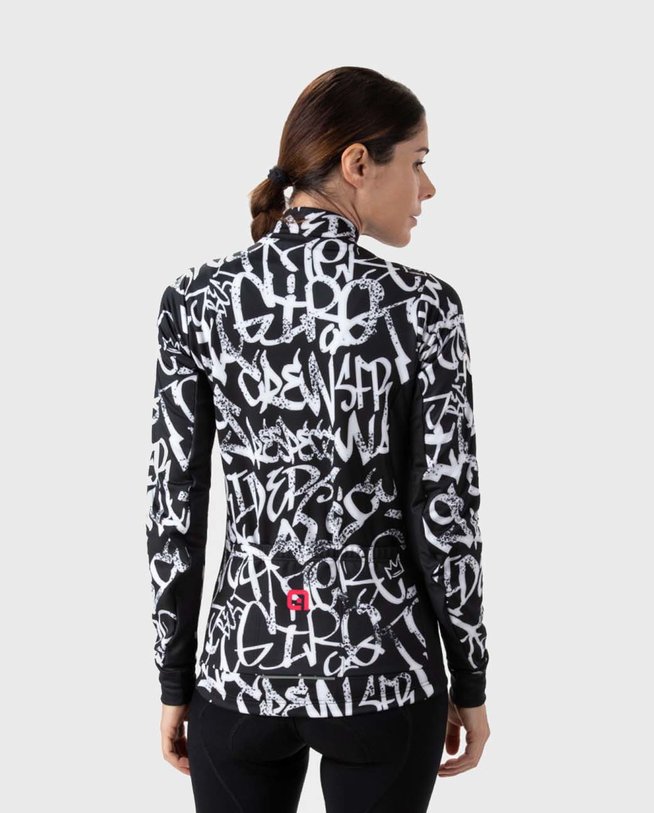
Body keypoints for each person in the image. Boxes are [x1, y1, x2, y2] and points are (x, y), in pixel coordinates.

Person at [146, 65, 491, 813]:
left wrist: (175, 679)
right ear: (358, 163)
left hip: (242, 672)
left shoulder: (197, 299)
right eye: (418, 162)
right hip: (385, 676)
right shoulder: (423, 308)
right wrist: (469, 678)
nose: (428, 188)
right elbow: (445, 512)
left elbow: (174, 505)